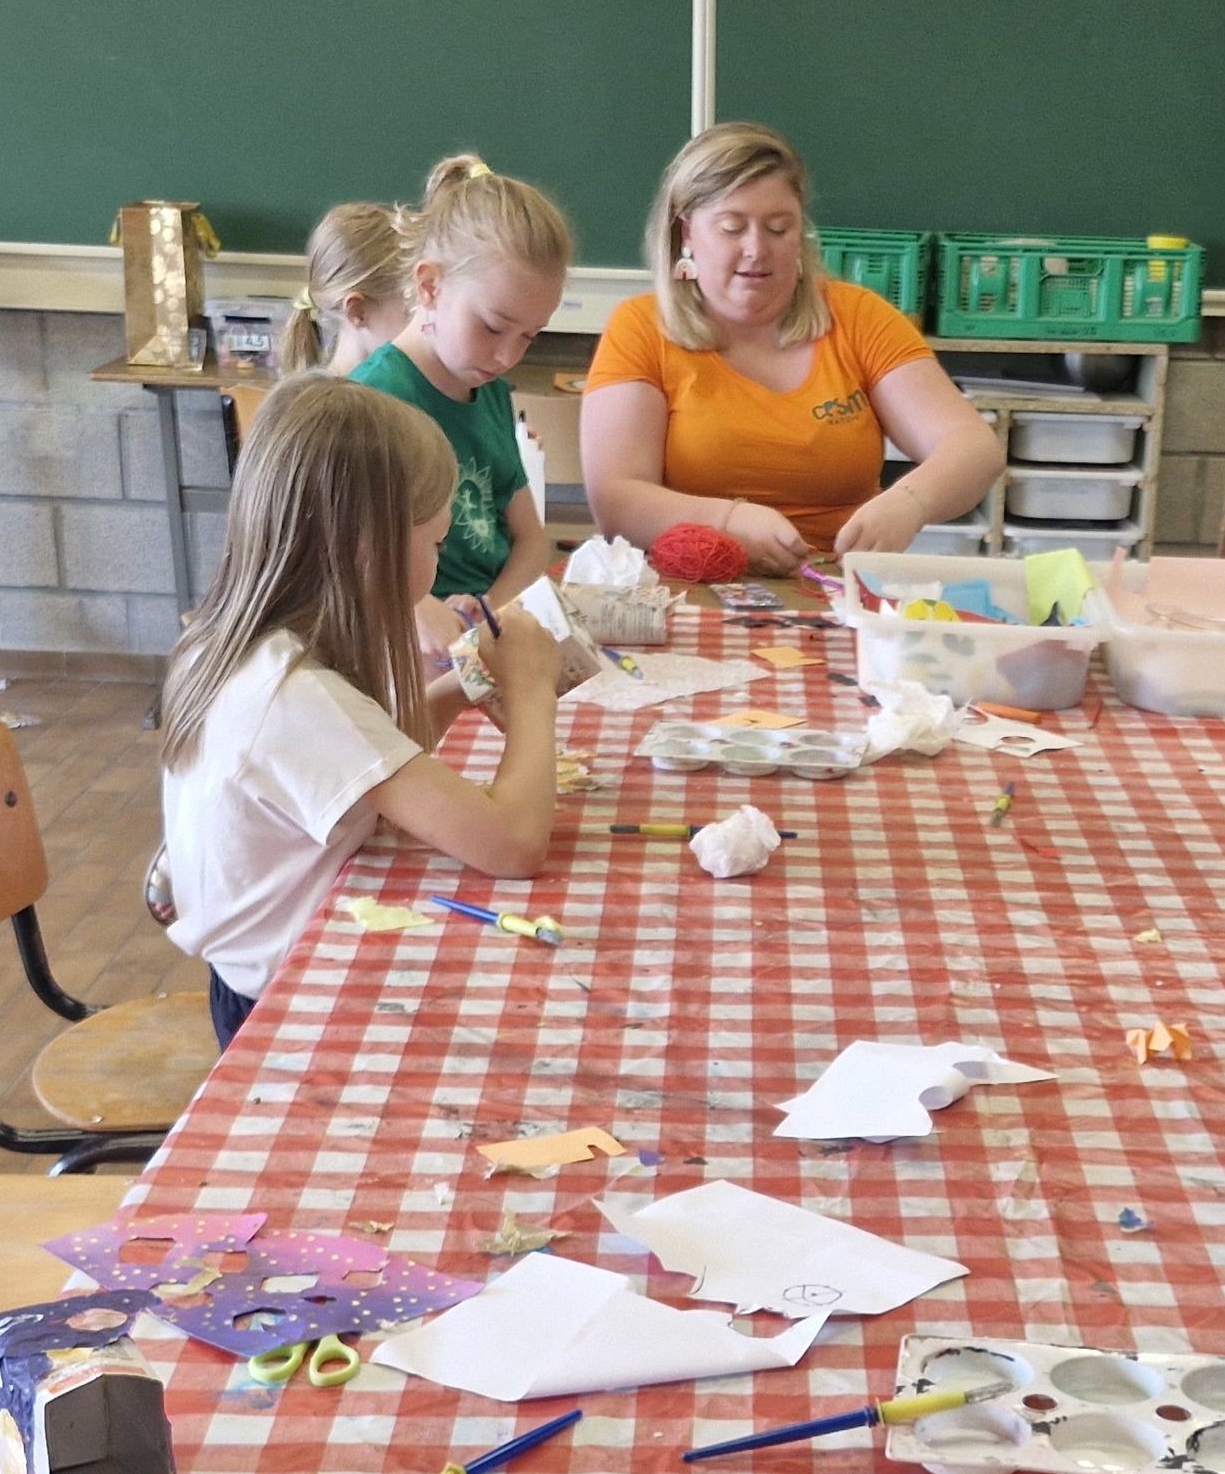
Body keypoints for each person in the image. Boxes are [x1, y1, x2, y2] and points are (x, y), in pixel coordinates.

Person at [153, 374, 563, 1041]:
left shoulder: (250, 648)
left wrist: (459, 690)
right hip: (285, 1008)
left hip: (270, 979)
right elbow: (513, 843)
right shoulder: (290, 694)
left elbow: (370, 765)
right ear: (368, 547)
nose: (439, 562)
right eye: (435, 544)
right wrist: (532, 689)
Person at [580, 121, 1001, 570]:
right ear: (687, 233)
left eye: (779, 229)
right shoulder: (641, 328)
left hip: (834, 582)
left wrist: (911, 502)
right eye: (732, 228)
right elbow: (617, 502)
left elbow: (974, 447)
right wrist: (726, 520)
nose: (756, 249)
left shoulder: (858, 317)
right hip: (692, 583)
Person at [348, 155, 564, 618]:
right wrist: (431, 617)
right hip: (405, 635)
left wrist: (489, 612)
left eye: (529, 336)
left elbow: (530, 540)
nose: (507, 356)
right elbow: (346, 562)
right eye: (492, 327)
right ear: (430, 286)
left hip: (487, 623)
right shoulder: (372, 402)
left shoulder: (492, 394)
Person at [272, 198, 415, 376]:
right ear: (358, 312)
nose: (422, 322)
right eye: (410, 309)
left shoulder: (391, 380)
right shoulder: (335, 394)